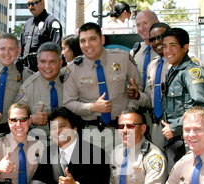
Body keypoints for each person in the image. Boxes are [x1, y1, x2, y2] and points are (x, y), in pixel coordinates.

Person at [63, 22, 148, 154]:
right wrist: (92, 107)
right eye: (83, 41)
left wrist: (130, 109)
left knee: (125, 171)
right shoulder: (73, 69)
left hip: (123, 131)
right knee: (96, 174)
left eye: (92, 39)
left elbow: (138, 87)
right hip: (93, 133)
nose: (87, 45)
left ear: (102, 39)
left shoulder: (123, 58)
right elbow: (68, 102)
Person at [161, 28, 204, 171]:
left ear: (185, 47)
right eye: (165, 46)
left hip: (187, 141)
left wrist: (174, 127)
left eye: (173, 45)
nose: (168, 50)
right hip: (175, 140)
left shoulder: (191, 72)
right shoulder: (173, 71)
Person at [14, 42, 64, 143]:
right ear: (37, 62)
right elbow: (15, 118)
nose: (47, 66)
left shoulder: (70, 81)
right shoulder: (28, 87)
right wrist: (32, 119)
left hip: (68, 141)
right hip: (39, 143)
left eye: (52, 62)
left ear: (60, 62)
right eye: (43, 61)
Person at [143, 22, 171, 150]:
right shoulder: (152, 66)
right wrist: (138, 96)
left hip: (176, 126)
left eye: (160, 37)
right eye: (152, 39)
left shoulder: (185, 63)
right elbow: (150, 99)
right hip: (157, 125)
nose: (156, 42)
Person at [16, 0, 62, 73]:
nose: (31, 6)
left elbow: (56, 50)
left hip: (43, 71)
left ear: (42, 2)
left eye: (34, 3)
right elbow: (22, 49)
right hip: (26, 71)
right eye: (29, 4)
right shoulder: (27, 24)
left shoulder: (51, 22)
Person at [131, 10, 160, 91]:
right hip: (139, 101)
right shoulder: (135, 52)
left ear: (156, 23)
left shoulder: (168, 52)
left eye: (145, 23)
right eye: (138, 25)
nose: (141, 28)